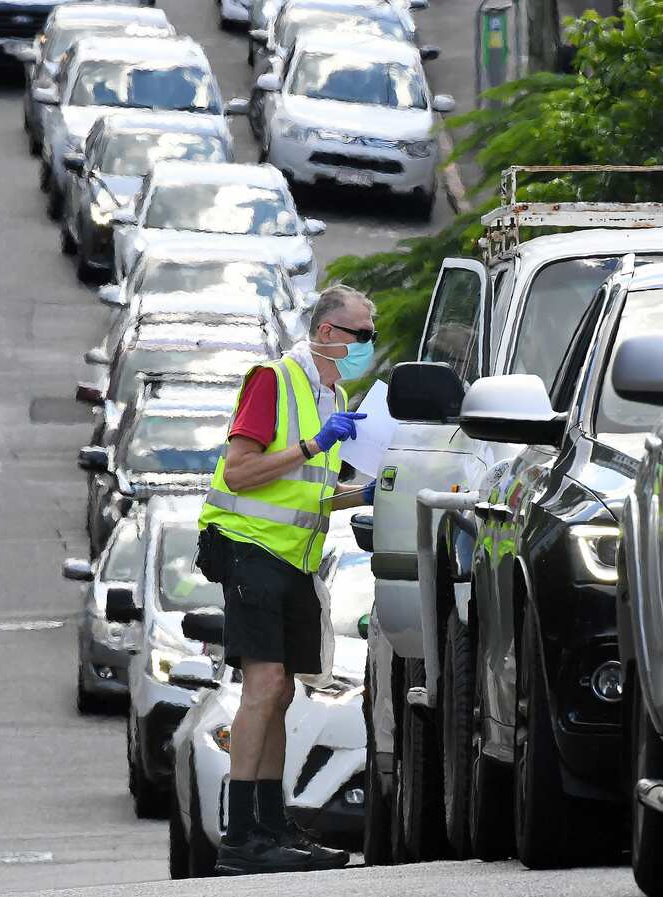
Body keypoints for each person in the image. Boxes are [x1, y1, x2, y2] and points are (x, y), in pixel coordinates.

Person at [198, 284, 378, 875]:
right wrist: (311, 445)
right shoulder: (274, 380)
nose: (366, 346)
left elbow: (308, 498)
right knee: (265, 683)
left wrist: (365, 493)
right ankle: (240, 836)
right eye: (362, 335)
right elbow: (242, 471)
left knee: (285, 689)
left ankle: (271, 827)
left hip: (294, 559)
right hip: (248, 549)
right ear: (328, 333)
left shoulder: (336, 393)